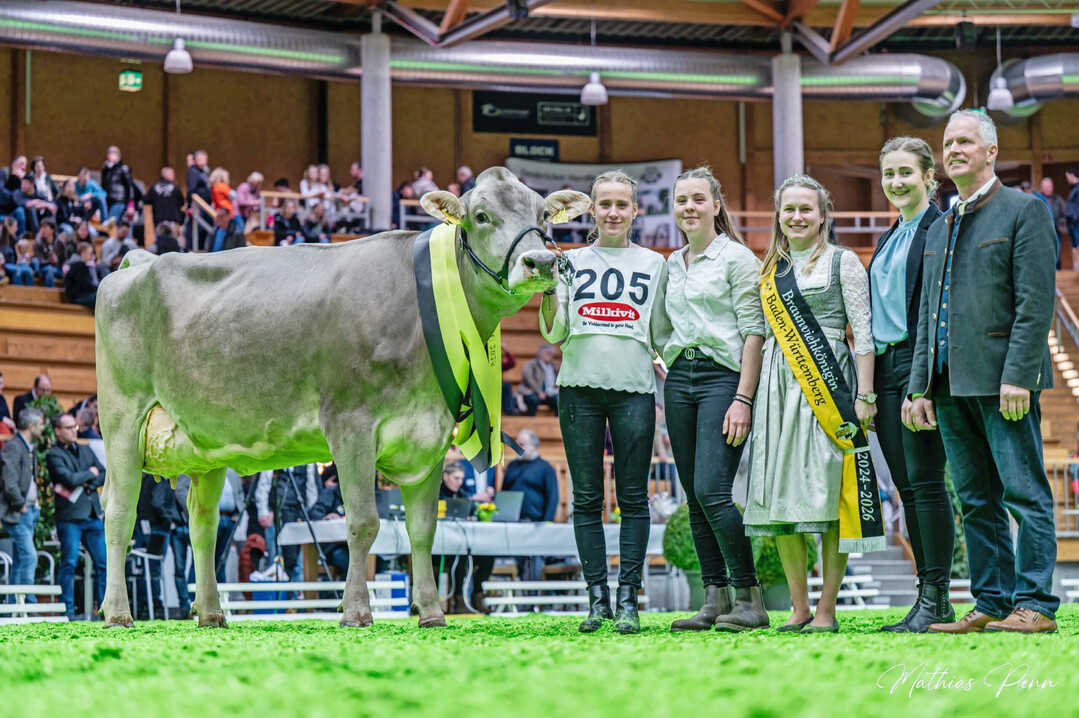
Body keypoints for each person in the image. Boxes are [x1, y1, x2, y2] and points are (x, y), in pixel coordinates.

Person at [904, 110, 1059, 634]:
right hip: (948, 385)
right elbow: (928, 313)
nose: (954, 150)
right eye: (948, 143)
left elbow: (1036, 304)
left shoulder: (1024, 210)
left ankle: (1036, 603)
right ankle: (992, 602)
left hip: (1004, 383)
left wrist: (1019, 373)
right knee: (974, 499)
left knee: (1023, 492)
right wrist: (919, 386)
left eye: (965, 141)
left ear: (991, 151)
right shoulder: (940, 223)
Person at [744, 174, 880, 634]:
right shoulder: (770, 270)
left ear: (823, 214)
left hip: (830, 387)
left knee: (828, 494)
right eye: (789, 210)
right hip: (778, 388)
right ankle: (798, 607)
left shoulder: (845, 262)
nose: (797, 217)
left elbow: (863, 334)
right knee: (783, 496)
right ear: (779, 216)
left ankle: (826, 609)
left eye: (806, 209)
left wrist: (864, 396)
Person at [539, 169, 669, 635]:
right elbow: (555, 332)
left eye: (622, 204)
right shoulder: (570, 261)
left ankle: (628, 599)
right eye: (605, 204)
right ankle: (598, 600)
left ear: (635, 211)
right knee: (587, 500)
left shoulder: (656, 264)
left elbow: (661, 334)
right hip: (578, 388)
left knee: (634, 499)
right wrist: (549, 290)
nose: (613, 212)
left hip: (635, 389)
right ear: (592, 209)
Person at [658, 167, 768, 633]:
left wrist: (743, 397)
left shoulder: (738, 259)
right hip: (680, 378)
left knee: (712, 490)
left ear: (716, 206)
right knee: (694, 497)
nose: (689, 207)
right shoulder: (671, 263)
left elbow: (754, 332)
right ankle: (714, 598)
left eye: (698, 199)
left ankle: (750, 597)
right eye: (682, 200)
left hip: (724, 379)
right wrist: (664, 359)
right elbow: (660, 326)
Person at [868, 137, 955, 633]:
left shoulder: (938, 229)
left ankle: (936, 597)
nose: (896, 182)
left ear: (929, 177)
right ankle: (928, 596)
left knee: (925, 483)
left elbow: (935, 312)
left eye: (906, 173)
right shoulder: (889, 235)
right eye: (889, 174)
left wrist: (921, 384)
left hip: (917, 367)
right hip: (883, 370)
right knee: (906, 487)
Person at [47, 413, 107, 619]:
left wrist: (88, 479)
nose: (74, 430)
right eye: (68, 427)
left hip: (92, 514)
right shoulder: (53, 454)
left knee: (104, 564)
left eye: (75, 426)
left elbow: (103, 472)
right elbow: (69, 479)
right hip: (70, 518)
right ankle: (68, 612)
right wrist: (89, 473)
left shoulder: (85, 449)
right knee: (69, 564)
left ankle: (105, 611)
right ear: (57, 431)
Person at [0, 408, 46, 599]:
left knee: (20, 560)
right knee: (29, 557)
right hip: (18, 512)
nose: (43, 428)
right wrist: (21, 504)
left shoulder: (28, 446)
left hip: (29, 510)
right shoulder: (14, 446)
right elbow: (9, 483)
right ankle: (28, 603)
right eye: (41, 424)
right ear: (31, 426)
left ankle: (14, 610)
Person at [518, 343, 560, 415]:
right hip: (532, 392)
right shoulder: (532, 364)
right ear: (541, 354)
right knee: (533, 400)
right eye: (548, 353)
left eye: (552, 354)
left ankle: (558, 422)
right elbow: (528, 378)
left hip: (549, 393)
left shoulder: (552, 366)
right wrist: (539, 391)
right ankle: (529, 421)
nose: (550, 356)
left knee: (559, 400)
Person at [101, 145, 136, 223]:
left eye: (113, 153)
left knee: (112, 223)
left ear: (118, 156)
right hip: (108, 200)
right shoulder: (106, 170)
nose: (110, 155)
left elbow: (130, 187)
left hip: (119, 200)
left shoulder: (123, 169)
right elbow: (104, 185)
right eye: (109, 153)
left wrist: (131, 204)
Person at [186, 150, 212, 251]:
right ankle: (194, 249)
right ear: (195, 160)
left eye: (204, 159)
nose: (202, 162)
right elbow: (191, 191)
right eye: (200, 159)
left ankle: (203, 249)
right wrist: (192, 206)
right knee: (197, 229)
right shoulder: (193, 172)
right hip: (198, 206)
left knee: (205, 229)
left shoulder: (204, 172)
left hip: (206, 206)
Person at [64, 241, 100, 310]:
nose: (92, 256)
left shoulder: (81, 265)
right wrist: (99, 289)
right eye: (90, 253)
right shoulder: (78, 265)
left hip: (81, 295)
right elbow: (85, 285)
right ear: (83, 253)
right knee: (98, 298)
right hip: (78, 297)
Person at [1, 215, 34, 286]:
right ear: (8, 227)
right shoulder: (1, 239)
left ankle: (32, 294)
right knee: (17, 271)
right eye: (15, 226)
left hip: (14, 264)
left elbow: (22, 248)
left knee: (29, 270)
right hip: (3, 265)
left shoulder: (13, 239)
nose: (16, 229)